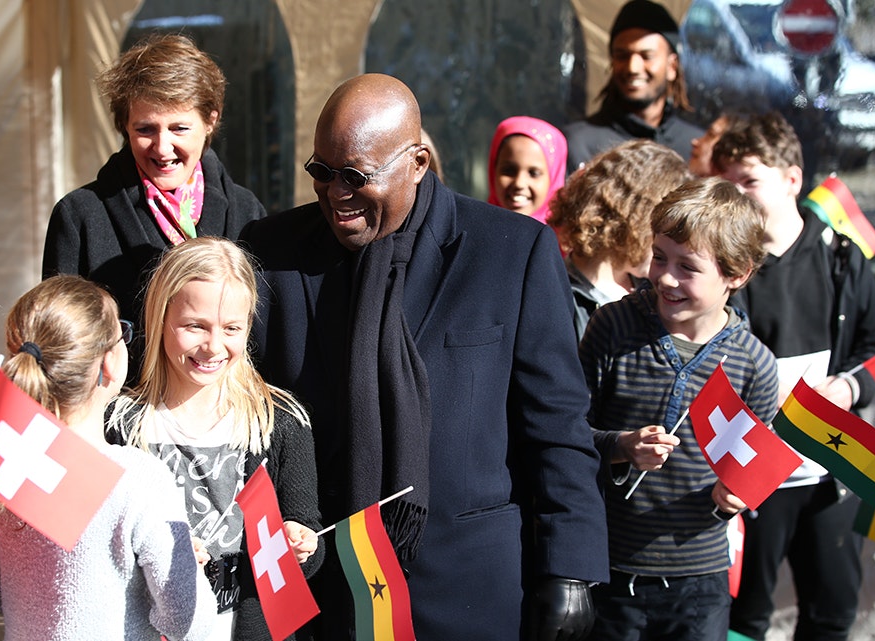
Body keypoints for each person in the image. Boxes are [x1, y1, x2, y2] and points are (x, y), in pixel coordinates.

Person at [239, 73, 608, 641]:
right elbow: (240, 412)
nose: (336, 193)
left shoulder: (511, 252)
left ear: (416, 162)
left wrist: (571, 569)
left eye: (357, 176)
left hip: (465, 588)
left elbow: (557, 426)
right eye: (321, 171)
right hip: (317, 592)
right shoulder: (271, 252)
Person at [579, 177, 778, 640]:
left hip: (700, 582)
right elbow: (568, 435)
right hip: (609, 566)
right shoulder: (613, 326)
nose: (665, 277)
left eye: (688, 266)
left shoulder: (754, 366)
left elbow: (754, 473)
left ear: (738, 274)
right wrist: (622, 446)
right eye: (659, 256)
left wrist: (738, 498)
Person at [713, 111, 875, 641]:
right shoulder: (723, 266)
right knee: (744, 617)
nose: (738, 196)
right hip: (751, 476)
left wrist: (850, 386)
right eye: (727, 185)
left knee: (831, 611)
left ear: (792, 178)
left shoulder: (840, 258)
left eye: (750, 181)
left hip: (829, 472)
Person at [107, 236, 323, 641]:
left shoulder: (280, 422)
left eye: (231, 329)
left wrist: (302, 544)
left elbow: (308, 534)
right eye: (195, 326)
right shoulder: (118, 424)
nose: (213, 346)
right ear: (160, 318)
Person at [0, 275, 216, 641]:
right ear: (108, 363)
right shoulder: (136, 478)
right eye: (122, 333)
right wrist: (185, 566)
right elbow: (189, 621)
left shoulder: (2, 465)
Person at [42, 33, 265, 375]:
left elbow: (261, 335)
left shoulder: (246, 212)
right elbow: (60, 346)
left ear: (211, 121)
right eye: (145, 129)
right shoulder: (79, 216)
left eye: (179, 128)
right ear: (124, 127)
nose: (162, 148)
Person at [548, 139, 690, 340]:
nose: (670, 242)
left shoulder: (652, 289)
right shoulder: (560, 296)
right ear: (638, 218)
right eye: (666, 227)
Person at [563, 0, 702, 170]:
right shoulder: (578, 143)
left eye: (646, 56)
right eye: (622, 56)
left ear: (672, 66)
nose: (632, 68)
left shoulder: (695, 148)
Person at [488, 116, 567, 222]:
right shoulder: (472, 230)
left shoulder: (567, 237)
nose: (519, 183)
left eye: (534, 173)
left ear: (553, 178)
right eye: (508, 171)